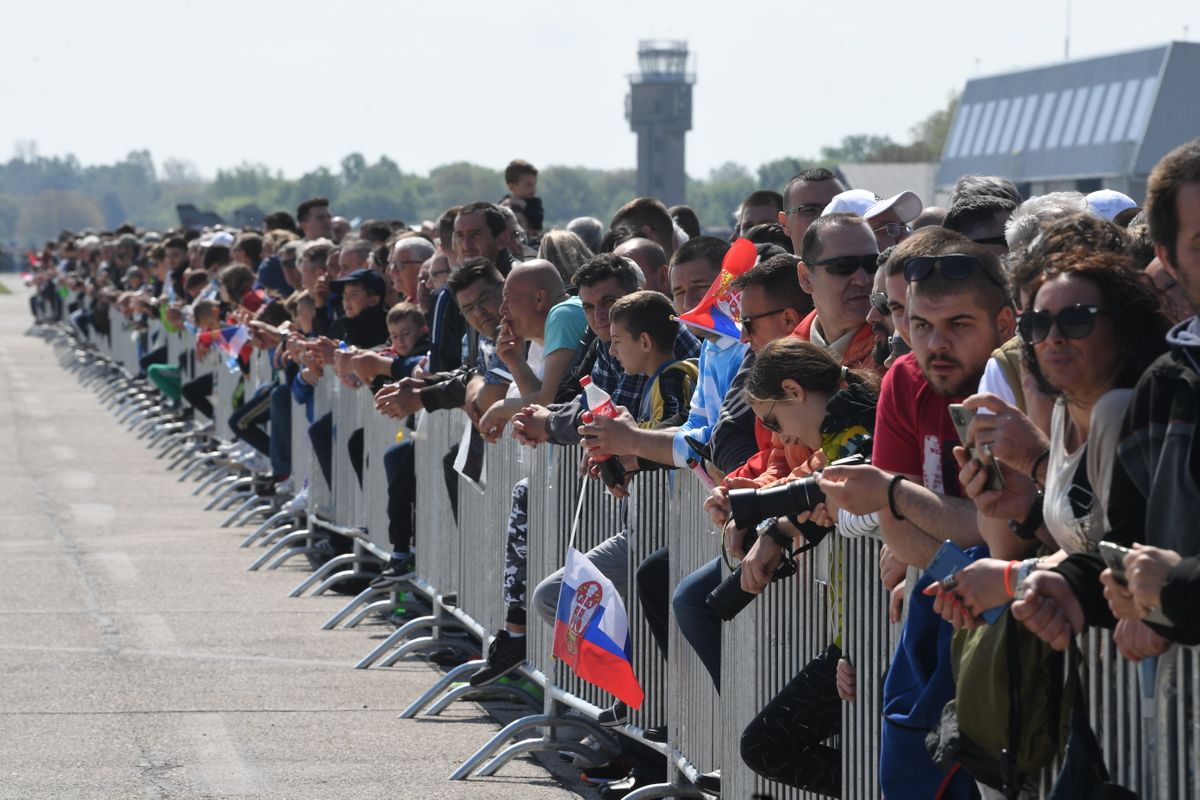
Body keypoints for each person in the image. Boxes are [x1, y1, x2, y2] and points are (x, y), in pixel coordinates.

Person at [817, 235, 1015, 799]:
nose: (935, 343)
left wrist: (896, 493)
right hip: (939, 608)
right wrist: (958, 570)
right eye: (921, 324)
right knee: (908, 776)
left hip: (1013, 624)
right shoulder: (904, 378)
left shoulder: (1019, 383)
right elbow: (898, 529)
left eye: (958, 324)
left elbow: (1000, 529)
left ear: (1004, 322)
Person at [1014, 138, 1200, 654]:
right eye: (1037, 322)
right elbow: (1126, 552)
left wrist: (1177, 592)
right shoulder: (1164, 385)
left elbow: (1167, 580)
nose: (1053, 338)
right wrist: (1073, 587)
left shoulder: (1130, 397)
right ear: (1169, 258)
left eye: (1075, 320)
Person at [736, 338, 877, 796]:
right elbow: (806, 496)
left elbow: (881, 508)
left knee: (766, 745)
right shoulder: (837, 437)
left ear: (794, 391)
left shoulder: (853, 437)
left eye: (771, 421)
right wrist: (776, 529)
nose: (779, 438)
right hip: (858, 635)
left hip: (880, 634)